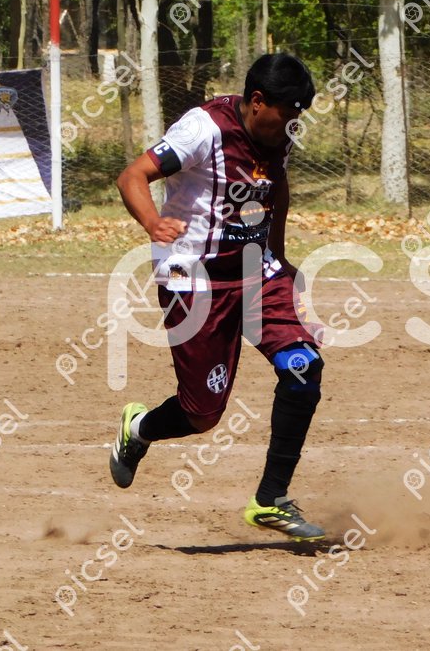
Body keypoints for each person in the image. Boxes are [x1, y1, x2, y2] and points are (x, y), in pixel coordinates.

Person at [110, 53, 326, 542]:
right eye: (287, 115)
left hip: (254, 272)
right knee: (201, 414)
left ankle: (270, 500)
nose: (292, 126)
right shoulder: (202, 130)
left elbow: (277, 188)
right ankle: (138, 429)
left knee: (303, 369)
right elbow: (132, 176)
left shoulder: (279, 134)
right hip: (193, 281)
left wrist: (278, 256)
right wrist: (153, 222)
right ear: (257, 101)